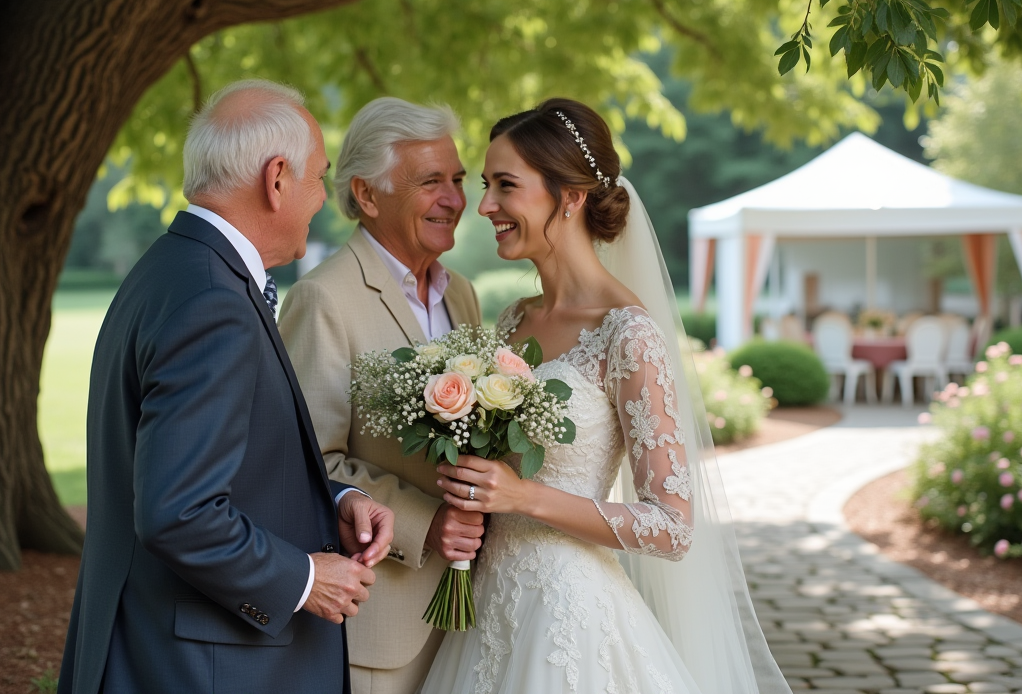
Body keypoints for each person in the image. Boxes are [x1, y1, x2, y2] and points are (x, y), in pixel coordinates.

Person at [420, 99, 792, 693]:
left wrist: (523, 496)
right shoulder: (513, 320)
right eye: (486, 185)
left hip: (570, 619)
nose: (485, 205)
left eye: (505, 186)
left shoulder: (628, 333)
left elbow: (672, 526)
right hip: (486, 607)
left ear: (569, 197)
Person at [58, 80, 394, 694]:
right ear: (276, 179)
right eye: (319, 178)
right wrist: (302, 579)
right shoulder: (212, 300)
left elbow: (217, 464)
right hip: (205, 667)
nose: (322, 198)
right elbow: (179, 513)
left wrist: (337, 500)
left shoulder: (171, 269)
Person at [278, 97, 484, 694]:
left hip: (472, 618)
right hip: (379, 631)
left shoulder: (462, 296)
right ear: (367, 196)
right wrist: (428, 522)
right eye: (430, 182)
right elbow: (307, 462)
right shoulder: (323, 299)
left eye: (457, 179)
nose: (454, 199)